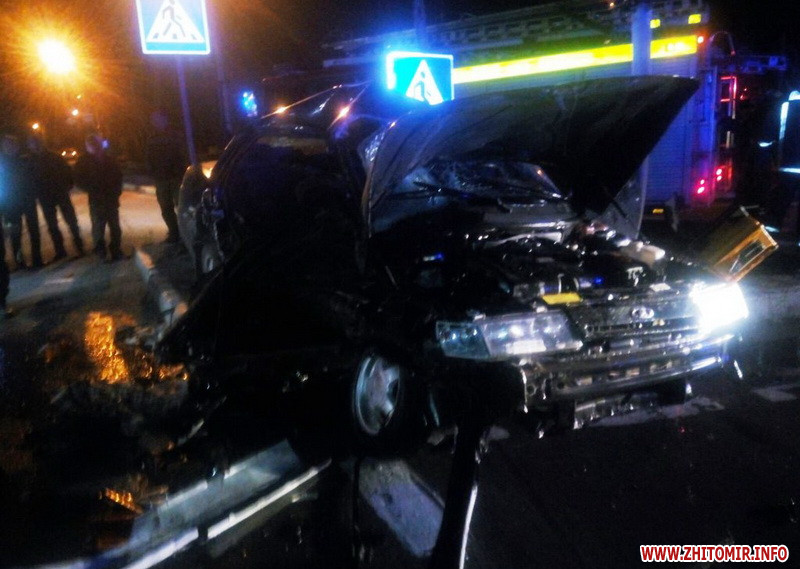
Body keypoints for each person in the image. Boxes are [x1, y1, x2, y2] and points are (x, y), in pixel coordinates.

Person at [26, 134, 84, 260]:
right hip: (45, 196)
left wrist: (68, 185)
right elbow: (29, 179)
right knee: (52, 224)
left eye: (37, 143)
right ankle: (60, 250)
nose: (36, 146)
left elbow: (67, 171)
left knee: (71, 221)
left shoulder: (54, 157)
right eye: (33, 144)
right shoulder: (30, 161)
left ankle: (79, 246)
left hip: (60, 192)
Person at [73, 134, 124, 261]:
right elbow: (78, 179)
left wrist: (117, 191)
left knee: (115, 227)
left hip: (111, 198)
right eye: (91, 144)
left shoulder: (109, 159)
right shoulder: (83, 161)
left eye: (96, 144)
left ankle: (116, 250)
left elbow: (118, 176)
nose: (95, 147)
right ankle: (101, 251)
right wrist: (91, 188)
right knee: (98, 227)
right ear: (88, 146)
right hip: (96, 199)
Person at [1, 135, 43, 269]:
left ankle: (37, 259)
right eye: (7, 145)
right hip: (10, 204)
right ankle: (20, 261)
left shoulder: (25, 160)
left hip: (27, 200)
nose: (10, 148)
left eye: (12, 145)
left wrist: (34, 193)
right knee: (15, 234)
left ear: (17, 146)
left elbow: (35, 178)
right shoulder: (2, 162)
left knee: (34, 230)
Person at [146, 110, 186, 243]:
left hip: (175, 178)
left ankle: (185, 235)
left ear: (165, 120)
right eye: (154, 120)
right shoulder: (152, 138)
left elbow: (183, 154)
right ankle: (174, 233)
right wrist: (152, 171)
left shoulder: (175, 135)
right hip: (161, 178)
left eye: (158, 119)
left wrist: (181, 171)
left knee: (181, 207)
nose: (156, 122)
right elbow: (149, 157)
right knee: (166, 208)